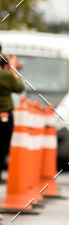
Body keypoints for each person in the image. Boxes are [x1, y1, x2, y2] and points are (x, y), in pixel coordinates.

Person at [0, 50, 24, 182]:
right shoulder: (6, 75)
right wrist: (13, 67)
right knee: (2, 148)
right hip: (4, 116)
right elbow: (19, 87)